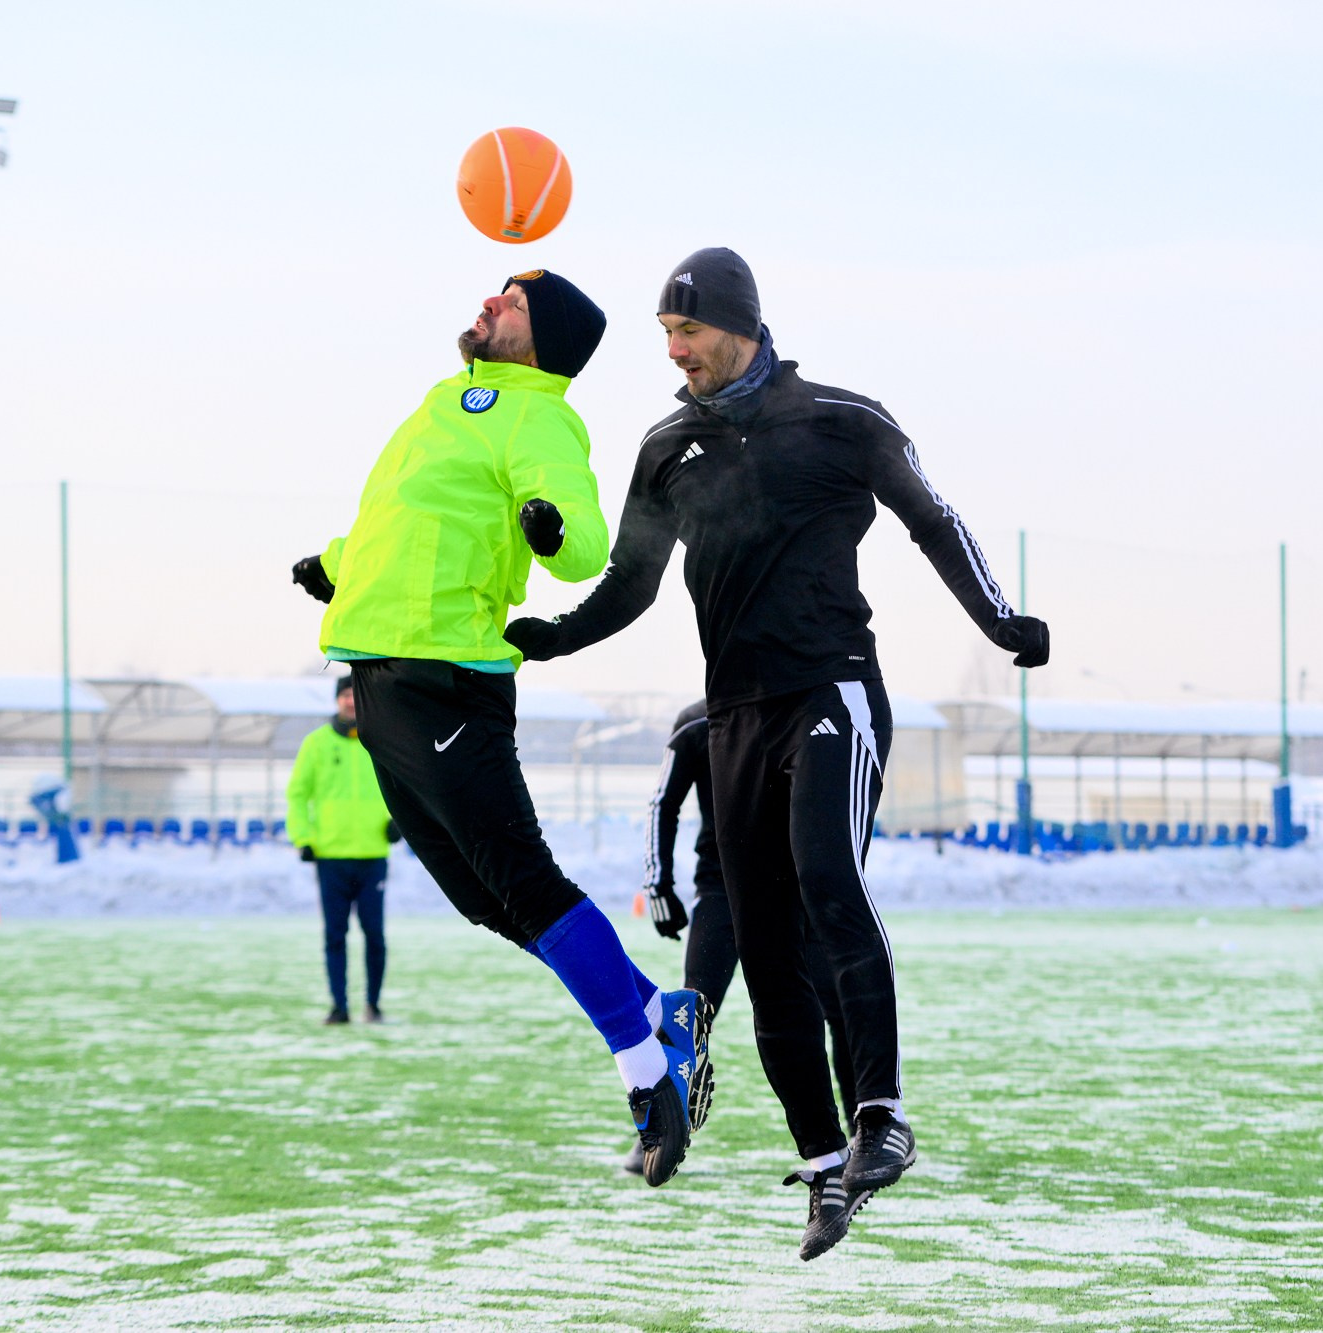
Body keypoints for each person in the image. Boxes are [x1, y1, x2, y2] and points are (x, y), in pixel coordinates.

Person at [506, 247, 1049, 1259]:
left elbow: (933, 521)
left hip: (830, 690)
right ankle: (820, 1162)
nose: (675, 353)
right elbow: (629, 580)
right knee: (760, 946)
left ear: (738, 324)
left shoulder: (841, 420)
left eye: (688, 333)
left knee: (825, 883)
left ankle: (879, 1116)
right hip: (734, 717)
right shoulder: (668, 444)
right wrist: (555, 635)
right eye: (665, 337)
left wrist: (1000, 618)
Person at [289, 268, 710, 1187]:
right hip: (379, 673)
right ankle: (661, 1015)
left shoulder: (541, 417)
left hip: (450, 681)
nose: (489, 304)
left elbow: (588, 543)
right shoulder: (446, 401)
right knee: (484, 901)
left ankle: (650, 1076)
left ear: (543, 338)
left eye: (512, 304)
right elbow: (403, 515)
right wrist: (335, 563)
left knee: (525, 883)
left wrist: (551, 527)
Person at [623, 699, 855, 1179]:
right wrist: (658, 883)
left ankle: (863, 1129)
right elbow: (662, 803)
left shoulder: (792, 711)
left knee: (837, 1009)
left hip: (793, 893)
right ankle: (658, 1131)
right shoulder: (695, 725)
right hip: (726, 892)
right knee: (692, 1014)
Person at [285, 676, 399, 1024]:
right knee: (335, 935)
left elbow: (406, 783)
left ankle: (373, 1005)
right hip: (331, 857)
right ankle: (339, 1006)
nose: (351, 702)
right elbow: (297, 795)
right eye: (345, 696)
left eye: (356, 695)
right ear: (337, 700)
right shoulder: (316, 744)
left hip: (372, 855)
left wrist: (401, 822)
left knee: (375, 936)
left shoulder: (381, 740)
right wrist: (303, 839)